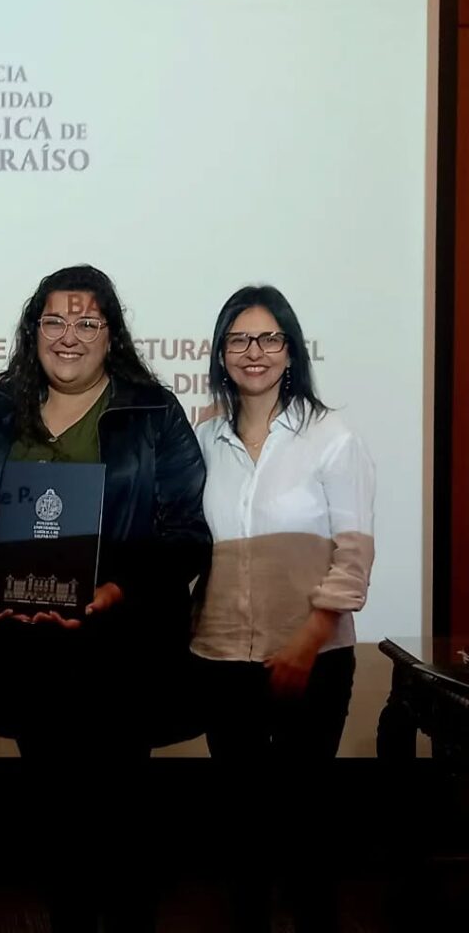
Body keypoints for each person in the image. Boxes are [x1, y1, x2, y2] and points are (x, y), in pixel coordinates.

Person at [0, 264, 211, 933]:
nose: (69, 335)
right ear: (32, 330)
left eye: (87, 321)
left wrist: (118, 589)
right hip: (23, 652)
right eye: (55, 320)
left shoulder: (153, 413)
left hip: (122, 657)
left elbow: (186, 534)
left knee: (121, 833)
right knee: (54, 830)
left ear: (111, 334)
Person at [191, 284, 375, 932]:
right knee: (240, 830)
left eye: (269, 338)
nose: (254, 352)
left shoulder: (331, 437)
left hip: (311, 660)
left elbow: (353, 557)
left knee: (305, 828)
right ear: (221, 352)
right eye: (239, 339)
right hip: (220, 659)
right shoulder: (203, 437)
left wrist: (308, 638)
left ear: (291, 350)